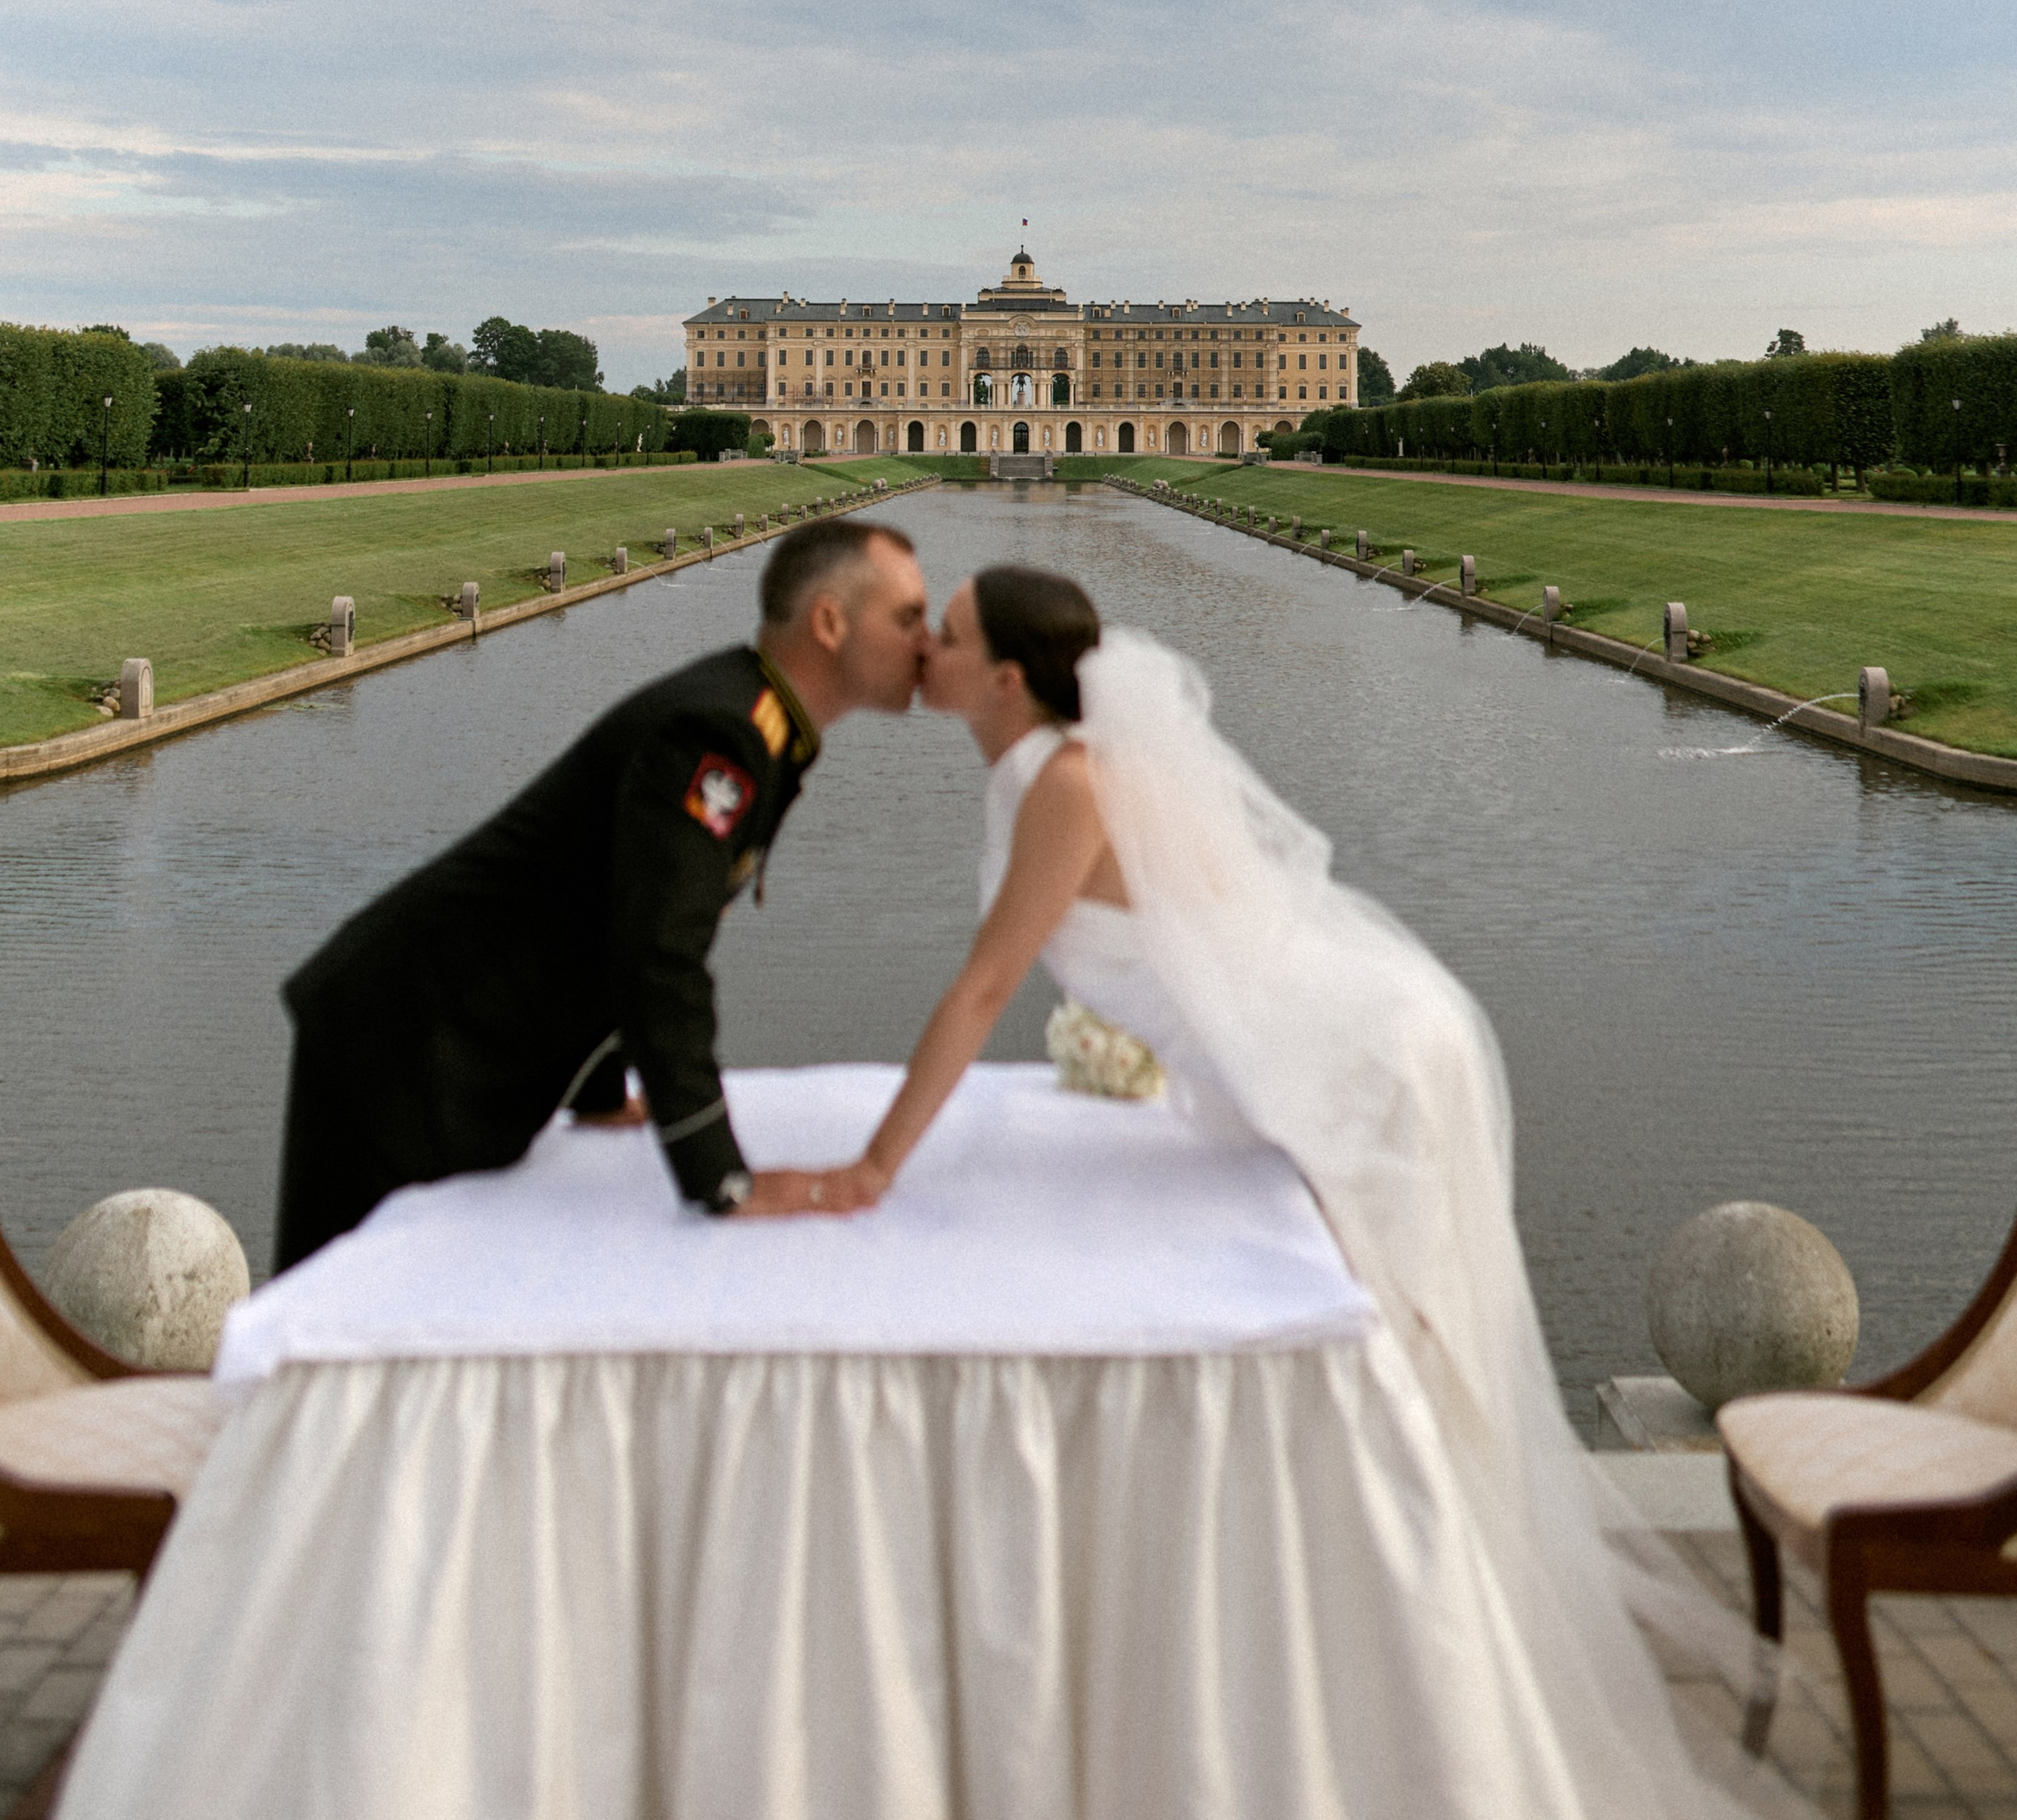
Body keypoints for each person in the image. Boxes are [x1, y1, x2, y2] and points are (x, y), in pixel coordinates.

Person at [758, 564, 1793, 1820]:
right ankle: (1396, 1663)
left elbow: (982, 991)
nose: (925, 646)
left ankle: (1427, 1686)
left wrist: (873, 1169)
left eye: (950, 634)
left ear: (1008, 679)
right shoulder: (1045, 771)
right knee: (1399, 1372)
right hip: (1314, 1051)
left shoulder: (1064, 783)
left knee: (1402, 1374)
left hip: (1358, 1065)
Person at [270, 519, 928, 1268]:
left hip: (434, 1041)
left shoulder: (757, 719)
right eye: (908, 616)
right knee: (326, 1336)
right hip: (403, 1042)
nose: (926, 641)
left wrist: (600, 1093)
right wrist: (721, 1179)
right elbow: (660, 952)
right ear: (831, 623)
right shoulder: (723, 732)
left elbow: (612, 905)